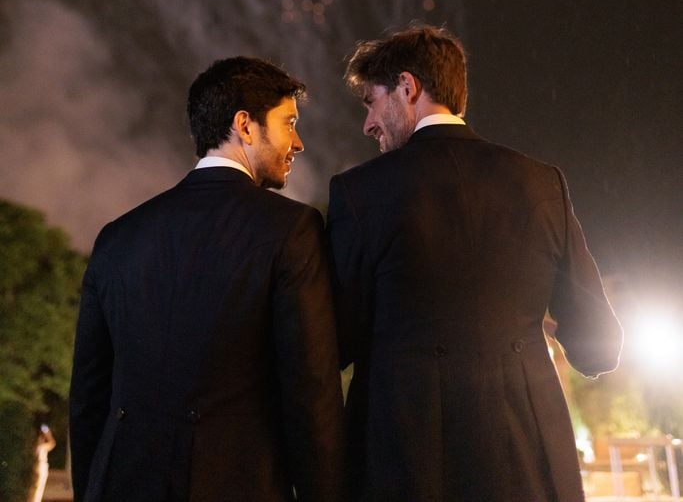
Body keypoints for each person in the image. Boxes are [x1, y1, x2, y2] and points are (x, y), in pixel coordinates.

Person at [327, 25, 623, 502]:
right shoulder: (542, 183)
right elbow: (599, 345)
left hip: (402, 460)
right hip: (525, 463)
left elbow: (334, 341)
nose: (368, 124)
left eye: (370, 101)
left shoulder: (359, 192)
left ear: (408, 87)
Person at [70, 56, 344, 502]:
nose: (298, 142)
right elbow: (310, 390)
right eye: (289, 123)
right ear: (246, 125)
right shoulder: (291, 230)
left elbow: (87, 399)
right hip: (238, 481)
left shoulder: (117, 238)